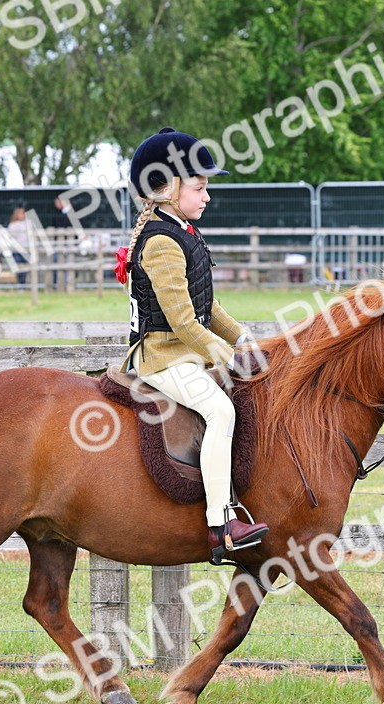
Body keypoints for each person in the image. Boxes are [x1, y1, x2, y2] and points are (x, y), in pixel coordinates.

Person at [117, 127, 268, 564]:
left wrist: (242, 337)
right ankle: (222, 524)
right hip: (162, 356)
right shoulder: (162, 242)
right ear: (166, 189)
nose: (207, 196)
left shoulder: (182, 231)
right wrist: (227, 355)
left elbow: (207, 304)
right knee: (221, 410)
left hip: (184, 351)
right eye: (200, 187)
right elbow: (182, 321)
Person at [6, 206, 31, 286]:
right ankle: (21, 285)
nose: (22, 215)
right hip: (16, 250)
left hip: (26, 249)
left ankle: (23, 284)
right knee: (19, 267)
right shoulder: (13, 225)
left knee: (25, 267)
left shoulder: (28, 223)